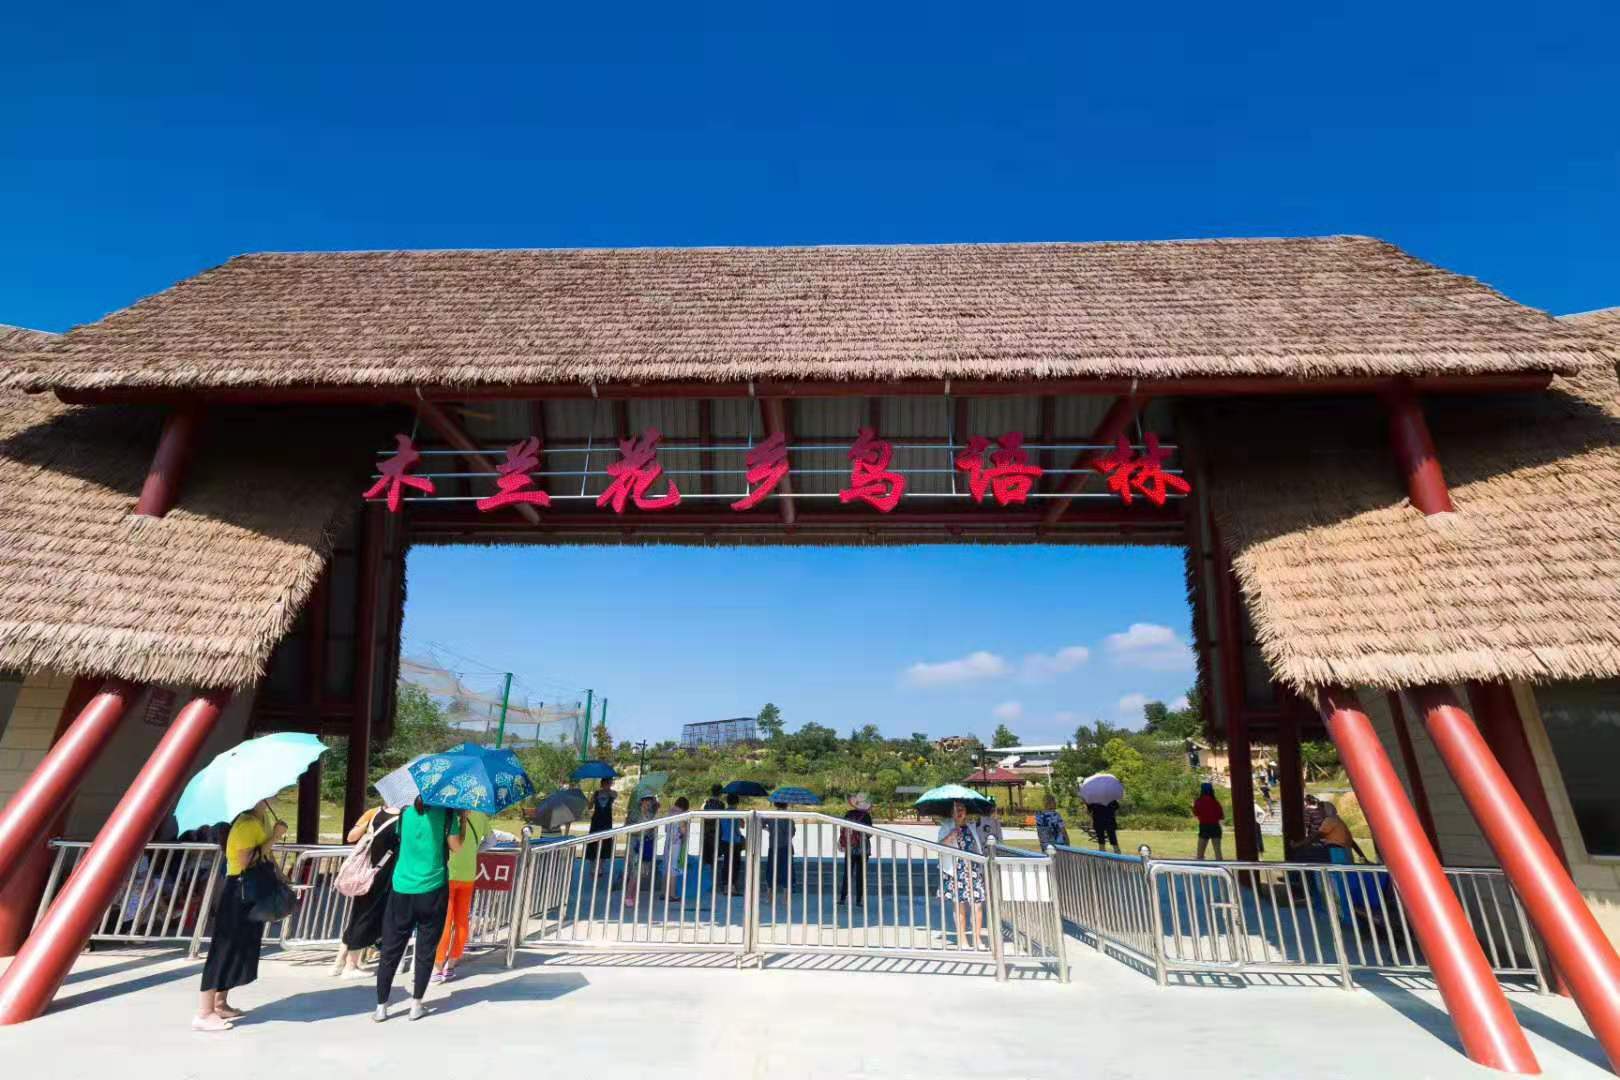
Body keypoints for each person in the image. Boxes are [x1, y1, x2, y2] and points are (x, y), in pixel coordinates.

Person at [195, 800, 286, 1032]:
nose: (274, 795)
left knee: (239, 947)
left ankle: (220, 1002)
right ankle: (204, 1013)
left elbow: (265, 855)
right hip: (238, 890)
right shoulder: (245, 824)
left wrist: (280, 874)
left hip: (252, 889)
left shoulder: (262, 820)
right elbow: (248, 860)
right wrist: (275, 837)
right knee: (223, 949)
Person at [374, 797, 464, 1023]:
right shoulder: (448, 816)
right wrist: (461, 821)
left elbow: (403, 839)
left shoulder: (405, 814)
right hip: (432, 889)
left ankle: (381, 1007)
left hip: (402, 887)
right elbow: (457, 848)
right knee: (426, 949)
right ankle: (416, 1005)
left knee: (391, 948)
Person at [332, 802, 402, 978]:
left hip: (365, 872)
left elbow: (351, 837)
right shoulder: (403, 818)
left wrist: (368, 828)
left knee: (357, 914)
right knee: (367, 917)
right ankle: (351, 965)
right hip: (382, 874)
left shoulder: (373, 812)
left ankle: (339, 961)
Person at [431, 806, 489, 984]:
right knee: (462, 919)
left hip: (448, 873)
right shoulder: (480, 815)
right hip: (468, 873)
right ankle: (452, 963)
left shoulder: (448, 815)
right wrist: (474, 851)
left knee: (444, 921)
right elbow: (491, 840)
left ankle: (438, 966)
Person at [938, 801, 986, 948]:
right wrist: (951, 834)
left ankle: (977, 939)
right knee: (959, 906)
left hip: (973, 869)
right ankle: (962, 939)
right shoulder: (946, 826)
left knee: (977, 905)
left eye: (962, 809)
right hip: (955, 870)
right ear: (951, 812)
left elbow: (979, 845)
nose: (959, 812)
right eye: (956, 809)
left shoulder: (972, 826)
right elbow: (939, 846)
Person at [837, 793, 874, 906]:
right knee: (860, 874)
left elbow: (843, 829)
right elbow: (870, 833)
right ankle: (859, 900)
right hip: (863, 849)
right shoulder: (867, 816)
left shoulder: (849, 814)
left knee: (847, 873)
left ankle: (843, 898)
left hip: (851, 847)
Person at [626, 794, 659, 907]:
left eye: (650, 800)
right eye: (646, 800)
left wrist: (651, 830)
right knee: (635, 872)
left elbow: (653, 828)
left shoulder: (651, 814)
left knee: (642, 873)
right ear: (641, 801)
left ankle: (634, 895)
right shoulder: (634, 814)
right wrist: (641, 829)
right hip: (636, 844)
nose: (648, 802)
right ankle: (628, 896)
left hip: (646, 845)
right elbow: (628, 827)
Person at [765, 800, 795, 899]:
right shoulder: (788, 818)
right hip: (785, 847)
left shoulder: (770, 816)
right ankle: (786, 896)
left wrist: (769, 829)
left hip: (773, 846)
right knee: (786, 871)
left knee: (771, 870)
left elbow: (761, 823)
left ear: (775, 804)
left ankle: (769, 895)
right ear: (786, 804)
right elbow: (792, 833)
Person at [715, 793, 743, 896]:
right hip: (734, 841)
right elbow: (738, 828)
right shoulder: (736, 813)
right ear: (737, 802)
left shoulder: (723, 813)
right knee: (735, 865)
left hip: (724, 840)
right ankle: (732, 888)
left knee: (726, 864)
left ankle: (726, 888)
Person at [662, 797, 690, 901]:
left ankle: (663, 892)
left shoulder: (669, 813)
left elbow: (665, 829)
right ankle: (672, 894)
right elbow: (683, 831)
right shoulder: (681, 815)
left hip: (667, 843)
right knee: (673, 869)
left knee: (665, 868)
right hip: (676, 844)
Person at [587, 777, 617, 870]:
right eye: (605, 783)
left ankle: (600, 866)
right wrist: (591, 800)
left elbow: (614, 795)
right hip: (596, 820)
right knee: (593, 841)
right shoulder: (596, 793)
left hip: (606, 821)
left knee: (606, 842)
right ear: (602, 784)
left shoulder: (612, 793)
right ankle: (592, 866)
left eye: (609, 783)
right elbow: (589, 807)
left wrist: (607, 791)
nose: (607, 785)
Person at [1193, 782, 1225, 860]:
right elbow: (1221, 816)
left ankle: (1201, 869)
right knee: (1218, 852)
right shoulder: (1216, 802)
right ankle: (1220, 869)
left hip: (1204, 826)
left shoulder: (1198, 802)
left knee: (1200, 854)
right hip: (1215, 826)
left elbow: (1196, 813)